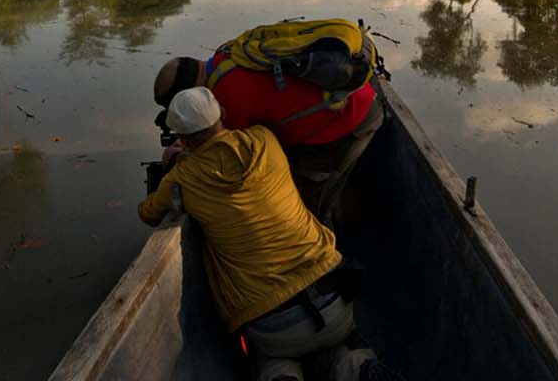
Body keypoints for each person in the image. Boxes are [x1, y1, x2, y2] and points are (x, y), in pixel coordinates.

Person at [138, 88, 394, 381]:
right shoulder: (265, 140)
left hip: (271, 325)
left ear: (182, 139)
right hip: (334, 297)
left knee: (273, 357)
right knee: (341, 344)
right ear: (222, 115)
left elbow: (147, 213)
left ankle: (282, 376)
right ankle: (359, 366)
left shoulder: (182, 178)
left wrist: (175, 162)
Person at [152, 51, 382, 224]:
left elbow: (229, 164)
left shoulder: (228, 99)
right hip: (356, 95)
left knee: (306, 204)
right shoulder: (226, 57)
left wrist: (180, 159)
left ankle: (324, 274)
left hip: (347, 119)